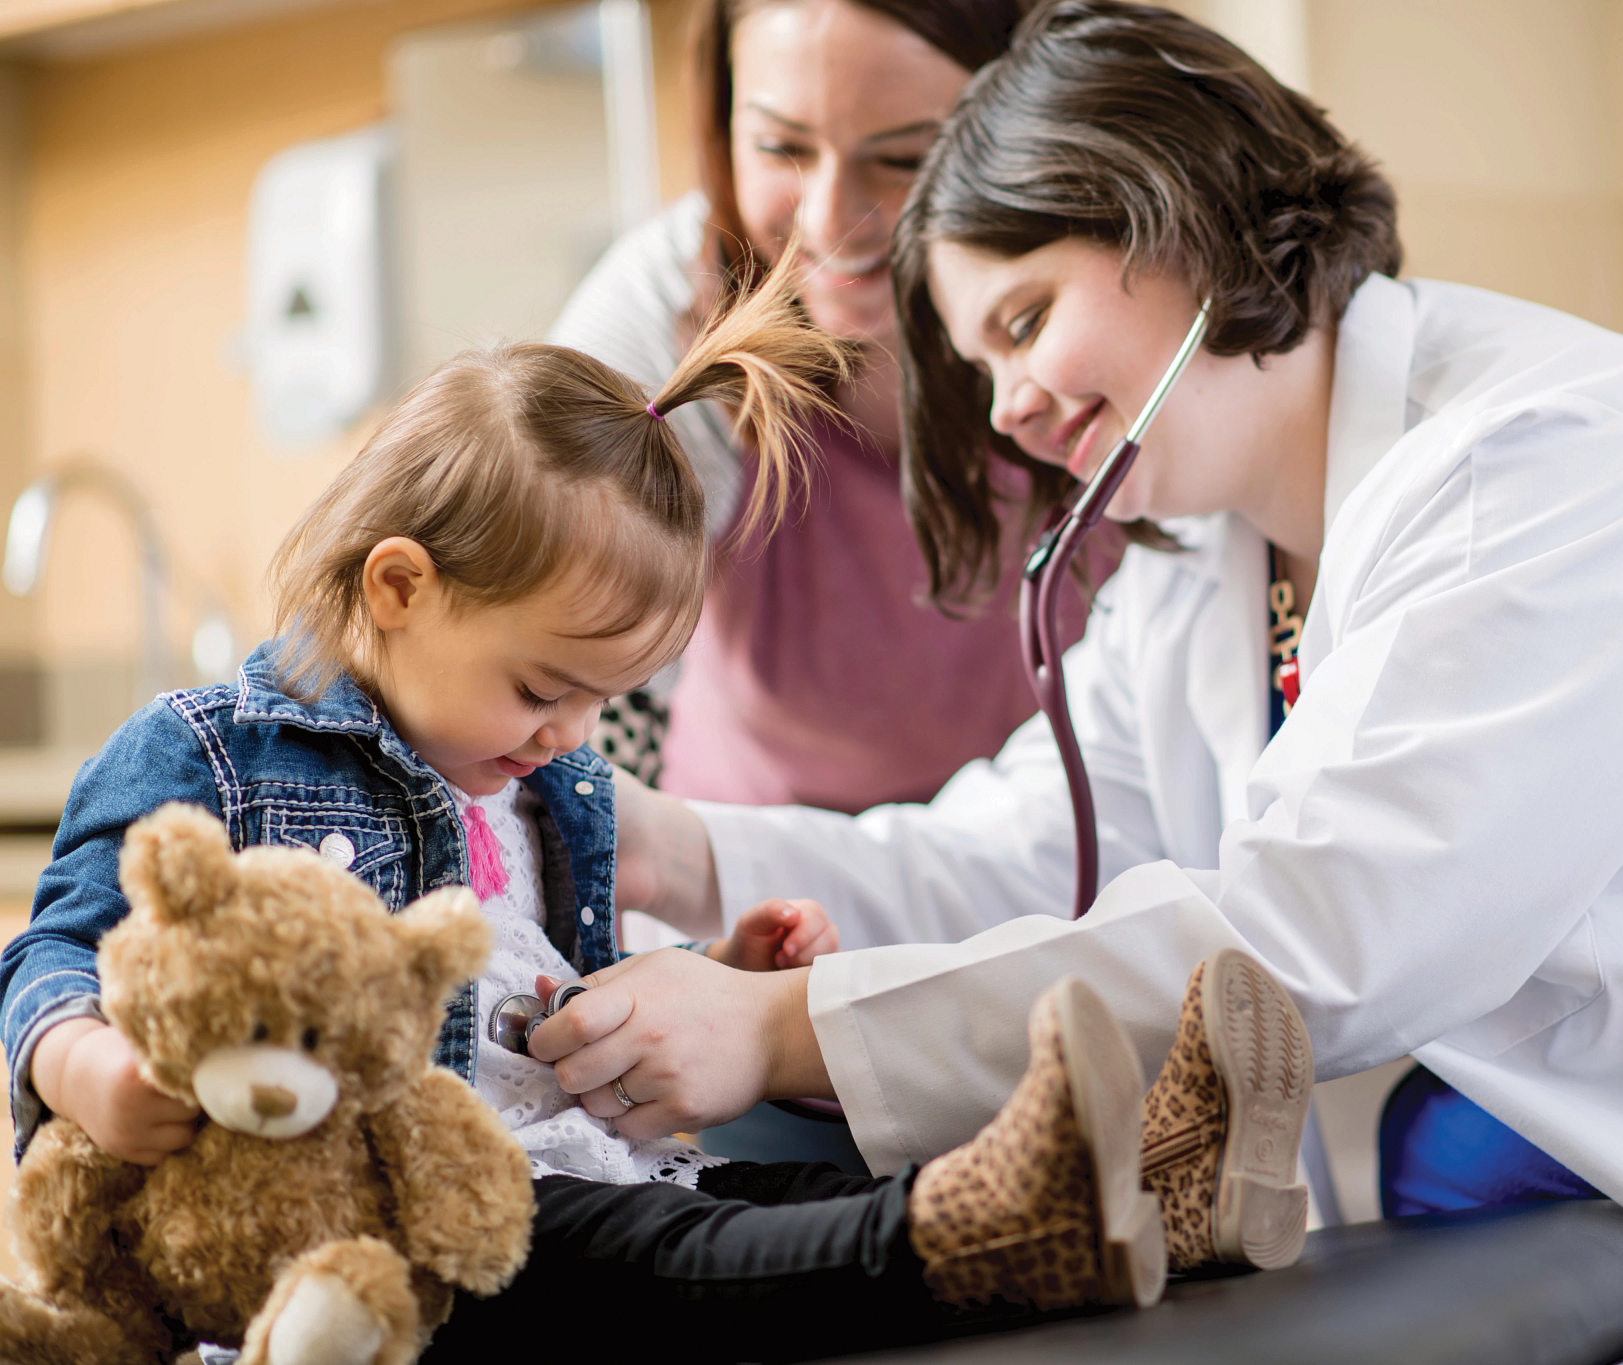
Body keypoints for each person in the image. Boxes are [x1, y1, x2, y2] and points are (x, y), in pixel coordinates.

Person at [555, 4, 1623, 1360]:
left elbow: (1324, 940)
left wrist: (779, 1025)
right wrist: (681, 849)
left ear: (1183, 223)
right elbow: (1023, 849)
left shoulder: (1554, 471)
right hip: (1584, 1223)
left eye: (1024, 322)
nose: (1010, 410)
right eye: (976, 363)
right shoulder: (1212, 554)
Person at [0, 251, 1319, 1357]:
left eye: (604, 698)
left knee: (772, 1196)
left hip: (578, 1165)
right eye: (541, 686)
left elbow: (547, 997)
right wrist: (85, 1070)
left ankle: (1150, 1201)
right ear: (397, 588)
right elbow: (47, 953)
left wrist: (700, 973)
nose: (576, 737)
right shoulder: (211, 758)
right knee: (698, 1251)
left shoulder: (545, 783)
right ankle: (994, 1230)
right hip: (404, 1229)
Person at [552, 0, 1115, 815]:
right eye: (781, 147)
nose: (828, 220)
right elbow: (563, 693)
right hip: (763, 892)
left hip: (1080, 850)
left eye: (904, 158)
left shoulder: (1117, 298)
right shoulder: (660, 323)